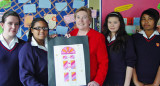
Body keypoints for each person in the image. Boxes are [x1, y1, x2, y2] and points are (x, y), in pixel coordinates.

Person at [65, 6, 109, 86]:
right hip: (72, 80)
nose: (80, 20)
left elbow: (103, 62)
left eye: (84, 17)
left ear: (89, 20)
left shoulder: (98, 37)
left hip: (90, 82)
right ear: (75, 20)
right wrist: (63, 42)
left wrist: (97, 81)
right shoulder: (71, 34)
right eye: (78, 17)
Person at [102, 12, 136, 86]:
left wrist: (126, 83)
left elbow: (130, 62)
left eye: (115, 22)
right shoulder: (102, 38)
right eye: (109, 22)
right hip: (104, 79)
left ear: (120, 23)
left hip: (120, 80)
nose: (112, 25)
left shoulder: (127, 39)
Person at [132, 8, 160, 86]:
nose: (146, 22)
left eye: (150, 19)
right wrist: (136, 82)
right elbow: (131, 61)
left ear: (156, 20)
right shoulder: (134, 38)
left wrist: (155, 84)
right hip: (136, 83)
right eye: (143, 19)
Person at [19, 18, 48, 86]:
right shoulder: (27, 49)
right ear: (32, 30)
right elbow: (26, 77)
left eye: (45, 28)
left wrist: (68, 40)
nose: (42, 31)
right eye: (38, 28)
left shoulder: (52, 45)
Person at [0, 11, 25, 86]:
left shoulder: (24, 46)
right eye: (10, 23)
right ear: (2, 25)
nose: (13, 27)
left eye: (16, 24)